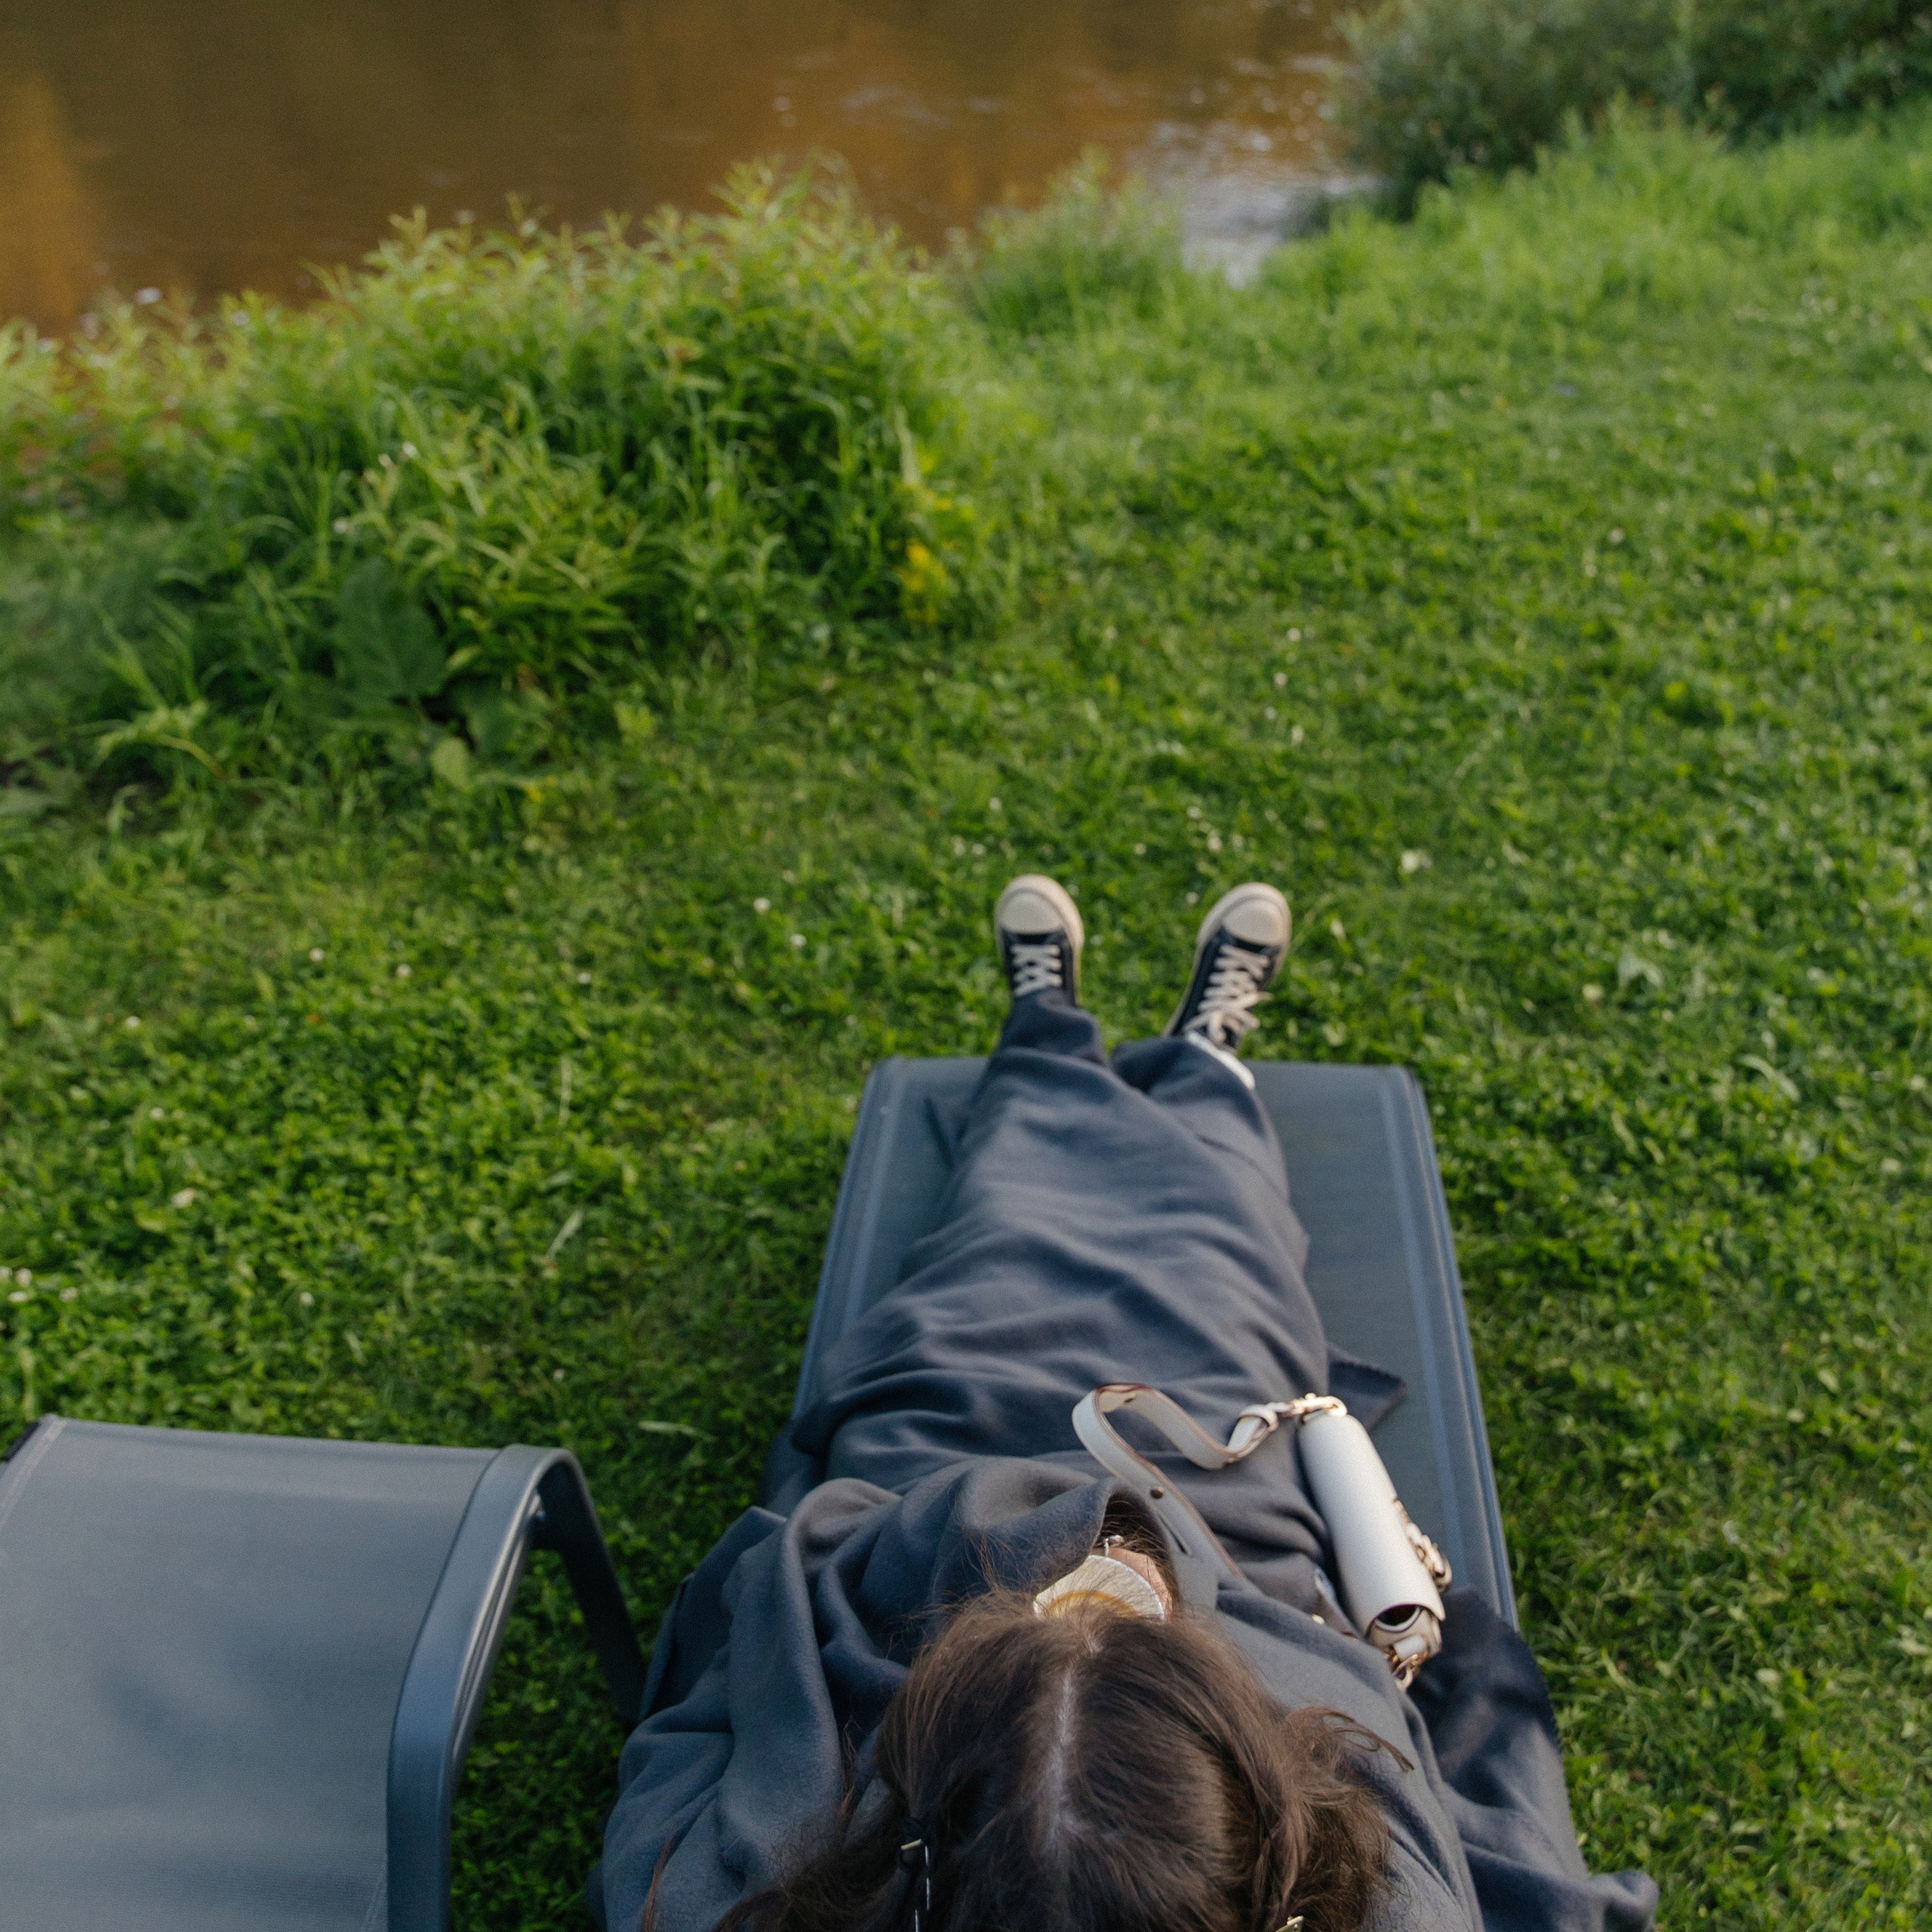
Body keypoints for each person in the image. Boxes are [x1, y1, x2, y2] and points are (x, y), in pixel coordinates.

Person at [592, 878, 1658, 1932]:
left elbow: (723, 1665)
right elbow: (1418, 1752)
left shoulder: (715, 1903)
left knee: (994, 1265)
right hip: (1232, 1524)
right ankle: (1204, 1062)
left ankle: (1045, 1039)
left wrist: (1037, 1544)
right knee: (1213, 1268)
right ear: (1266, 1845)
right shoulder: (1391, 1895)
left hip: (937, 1462)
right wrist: (1182, 1569)